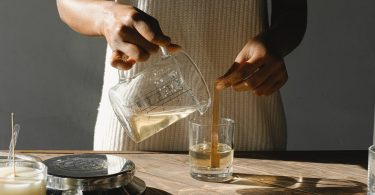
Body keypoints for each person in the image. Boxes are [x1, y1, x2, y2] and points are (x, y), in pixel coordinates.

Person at [56, 0, 307, 151]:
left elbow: (293, 10)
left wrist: (275, 43)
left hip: (248, 129)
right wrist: (106, 17)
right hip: (134, 127)